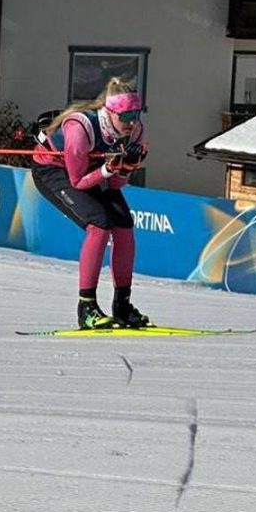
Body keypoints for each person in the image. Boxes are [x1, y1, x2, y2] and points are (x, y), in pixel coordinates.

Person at [32, 78, 151, 329]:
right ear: (110, 112)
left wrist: (126, 168)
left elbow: (116, 185)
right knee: (99, 223)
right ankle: (86, 307)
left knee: (124, 225)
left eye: (135, 114)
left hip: (93, 169)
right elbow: (77, 182)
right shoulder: (80, 128)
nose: (131, 122)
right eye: (125, 115)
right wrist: (109, 169)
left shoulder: (135, 131)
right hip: (55, 169)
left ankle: (122, 305)